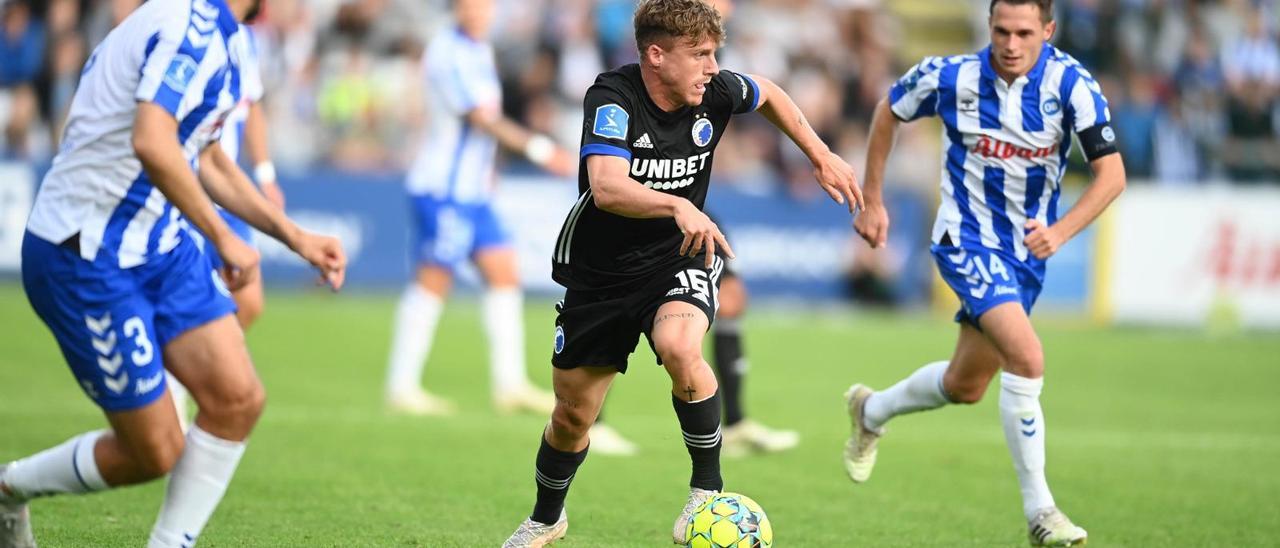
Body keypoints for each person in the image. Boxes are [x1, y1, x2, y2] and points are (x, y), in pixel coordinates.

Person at [503, 1, 861, 545]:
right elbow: (605, 186)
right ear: (656, 55)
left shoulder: (714, 90)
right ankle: (547, 518)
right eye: (699, 55)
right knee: (573, 414)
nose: (713, 67)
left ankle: (706, 493)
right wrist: (675, 204)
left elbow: (770, 94)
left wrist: (819, 153)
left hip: (680, 254)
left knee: (679, 345)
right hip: (600, 274)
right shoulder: (612, 97)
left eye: (713, 53)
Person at [0, 0, 346, 546]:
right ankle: (6, 491)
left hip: (158, 248)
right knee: (154, 451)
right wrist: (223, 235)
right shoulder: (189, 28)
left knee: (237, 399)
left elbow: (205, 156)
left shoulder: (229, 37)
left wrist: (294, 236)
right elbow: (152, 140)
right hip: (88, 253)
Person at [843, 1, 1125, 546]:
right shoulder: (950, 77)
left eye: (1024, 32)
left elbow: (1110, 176)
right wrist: (872, 200)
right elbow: (888, 111)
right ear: (988, 28)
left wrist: (1061, 232)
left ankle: (870, 410)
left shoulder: (1073, 85)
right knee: (1028, 357)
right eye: (1002, 31)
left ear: (1048, 30)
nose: (1011, 44)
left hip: (1026, 254)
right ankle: (1041, 512)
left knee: (965, 385)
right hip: (964, 239)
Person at [383, 0, 575, 417]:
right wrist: (543, 151)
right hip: (443, 188)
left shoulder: (479, 49)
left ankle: (509, 384)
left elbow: (487, 127)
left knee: (504, 273)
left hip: (473, 190)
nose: (480, 11)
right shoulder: (447, 52)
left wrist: (491, 169)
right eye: (472, 5)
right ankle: (401, 385)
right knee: (434, 279)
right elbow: (482, 120)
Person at [172, 21, 282, 430]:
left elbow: (251, 108)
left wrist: (266, 173)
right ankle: (174, 393)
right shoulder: (190, 28)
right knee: (189, 298)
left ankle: (185, 377)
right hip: (190, 183)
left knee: (249, 302)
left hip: (228, 185)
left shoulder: (247, 40)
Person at [587, 266, 801, 458]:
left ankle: (735, 424)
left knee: (730, 296)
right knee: (620, 301)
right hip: (653, 232)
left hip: (696, 227)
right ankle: (591, 424)